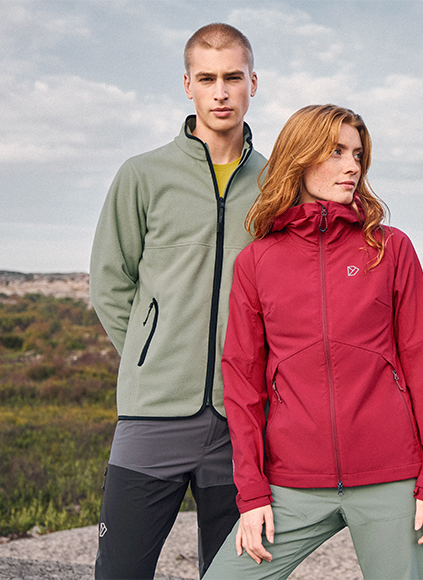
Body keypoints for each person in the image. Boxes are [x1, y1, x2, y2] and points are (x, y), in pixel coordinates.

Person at [204, 104, 423, 580]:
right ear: (300, 157)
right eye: (336, 152)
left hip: (390, 478)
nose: (352, 166)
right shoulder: (257, 261)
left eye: (357, 154)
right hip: (291, 482)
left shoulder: (390, 248)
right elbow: (241, 383)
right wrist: (252, 493)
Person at [89, 23, 266, 579]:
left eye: (232, 77)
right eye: (207, 79)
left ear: (253, 83)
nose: (221, 92)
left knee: (235, 574)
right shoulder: (142, 175)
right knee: (119, 571)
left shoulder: (277, 184)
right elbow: (109, 282)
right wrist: (151, 354)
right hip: (153, 413)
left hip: (241, 421)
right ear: (187, 85)